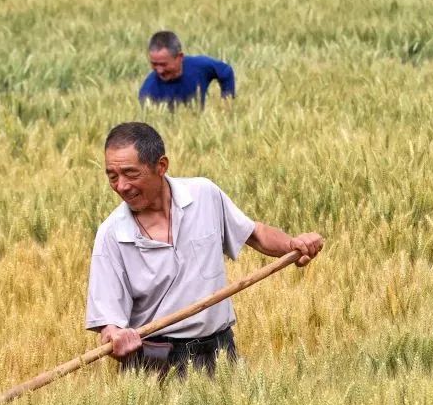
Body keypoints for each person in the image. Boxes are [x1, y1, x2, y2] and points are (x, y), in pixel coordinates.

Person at [86, 122, 324, 378]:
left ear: (161, 166)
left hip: (219, 352)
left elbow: (255, 234)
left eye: (130, 174)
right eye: (112, 176)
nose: (121, 186)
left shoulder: (203, 195)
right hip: (156, 362)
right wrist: (115, 336)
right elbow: (108, 322)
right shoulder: (112, 234)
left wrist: (292, 245)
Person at [138, 31, 235, 108]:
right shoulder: (148, 92)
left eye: (164, 64)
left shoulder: (200, 66)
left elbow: (226, 72)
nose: (159, 70)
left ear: (180, 57)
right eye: (154, 64)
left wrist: (226, 104)